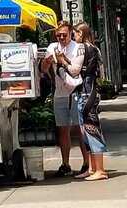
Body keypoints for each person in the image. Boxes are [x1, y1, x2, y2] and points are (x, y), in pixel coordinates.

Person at [40, 21, 89, 176]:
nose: (61, 37)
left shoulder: (78, 48)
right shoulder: (52, 47)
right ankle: (65, 163)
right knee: (62, 129)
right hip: (59, 92)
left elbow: (76, 70)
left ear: (70, 34)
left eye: (64, 35)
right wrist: (47, 62)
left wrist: (62, 59)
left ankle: (86, 162)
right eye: (58, 35)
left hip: (76, 91)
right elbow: (43, 69)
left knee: (79, 129)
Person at [73, 22, 108, 180]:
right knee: (86, 131)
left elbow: (75, 69)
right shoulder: (95, 48)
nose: (74, 36)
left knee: (91, 129)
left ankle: (99, 169)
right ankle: (93, 168)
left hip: (87, 93)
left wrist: (63, 62)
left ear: (81, 33)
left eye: (75, 33)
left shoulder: (83, 48)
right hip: (90, 91)